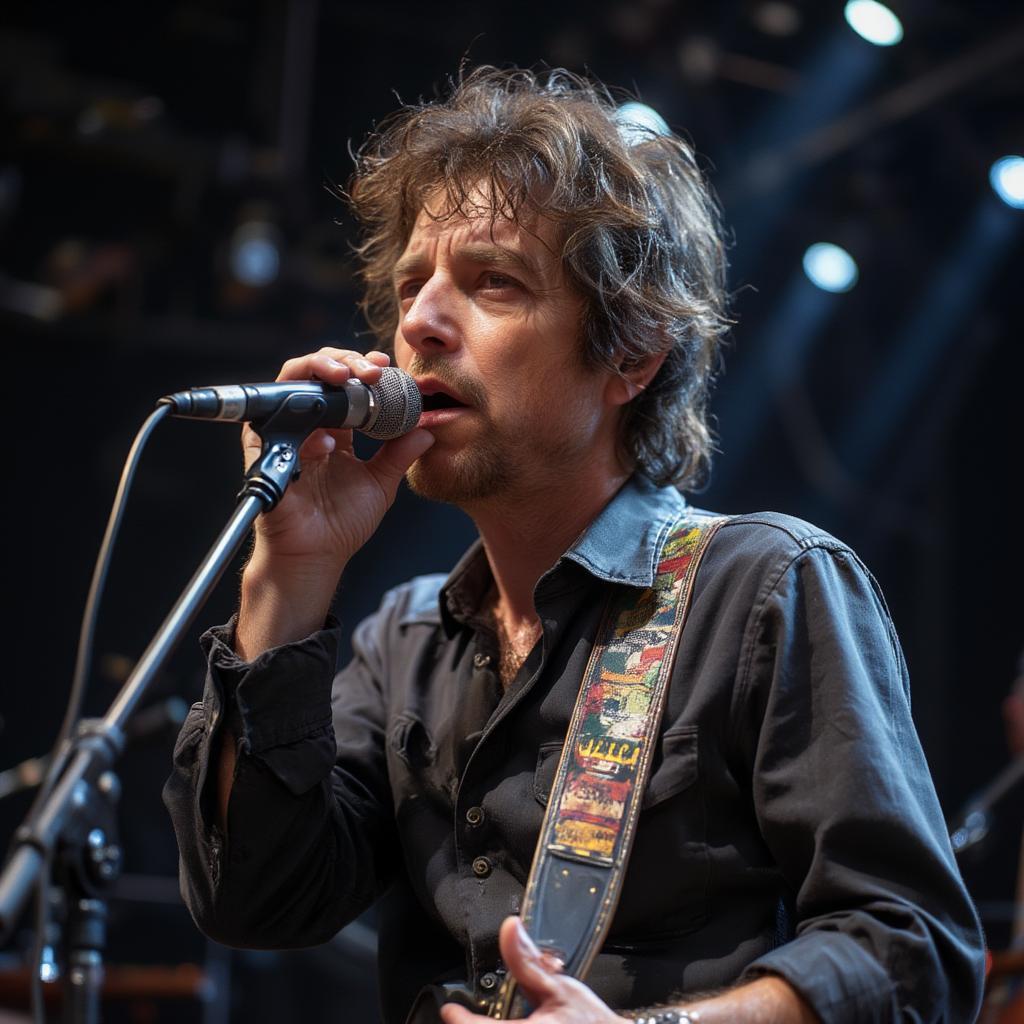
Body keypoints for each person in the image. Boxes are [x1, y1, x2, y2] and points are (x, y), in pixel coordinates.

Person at [163, 67, 986, 1023]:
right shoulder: (407, 640)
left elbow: (911, 949)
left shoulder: (765, 589)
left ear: (631, 354)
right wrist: (289, 572)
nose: (420, 324)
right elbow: (255, 902)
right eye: (410, 286)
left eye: (492, 283)